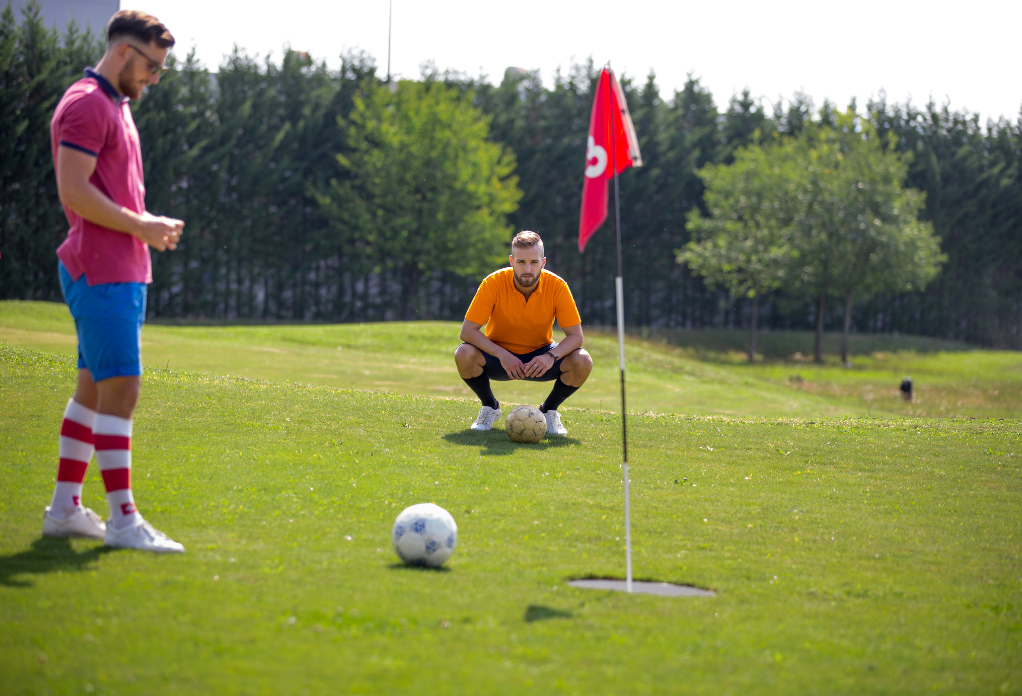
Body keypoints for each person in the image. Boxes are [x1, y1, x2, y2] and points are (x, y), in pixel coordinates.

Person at [42, 10, 185, 552]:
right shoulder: (86, 103)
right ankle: (123, 520)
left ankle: (64, 510)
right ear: (125, 51)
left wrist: (146, 227)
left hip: (117, 268)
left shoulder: (116, 104)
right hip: (100, 270)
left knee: (91, 389)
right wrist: (143, 224)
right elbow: (73, 191)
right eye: (152, 66)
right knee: (121, 389)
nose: (154, 78)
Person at [456, 231, 593, 435]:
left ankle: (549, 410)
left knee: (583, 360)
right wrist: (502, 355)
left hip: (540, 357)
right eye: (521, 262)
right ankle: (489, 407)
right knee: (463, 354)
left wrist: (550, 357)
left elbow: (576, 337)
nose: (527, 269)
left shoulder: (558, 286)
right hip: (498, 358)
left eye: (533, 262)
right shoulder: (492, 282)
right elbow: (467, 332)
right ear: (511, 261)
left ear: (543, 262)